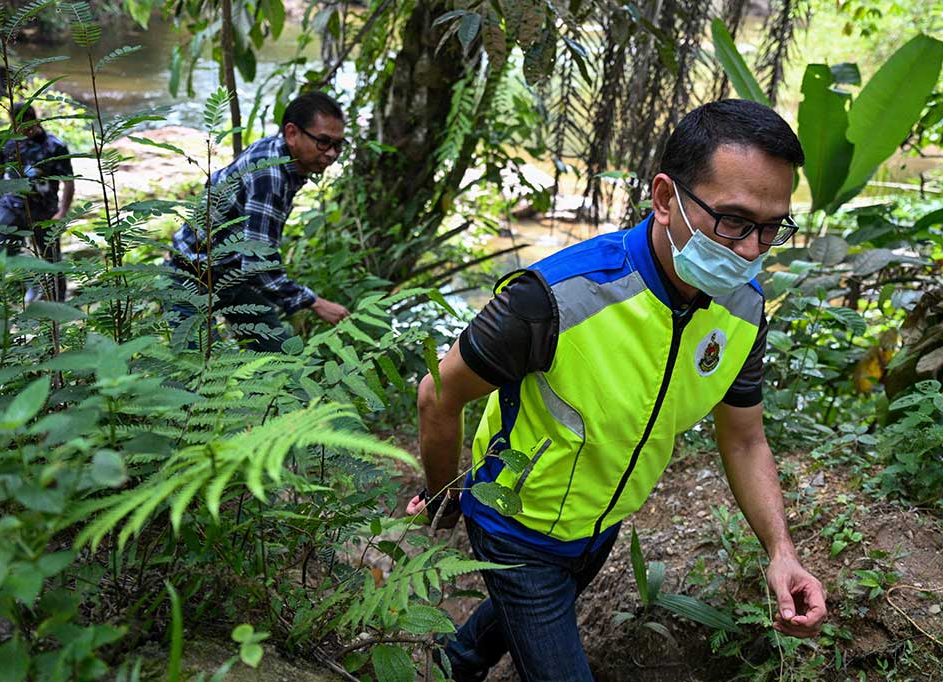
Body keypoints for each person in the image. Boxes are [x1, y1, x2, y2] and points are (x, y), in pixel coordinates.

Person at [408, 99, 828, 681]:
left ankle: (454, 663)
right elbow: (438, 394)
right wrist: (441, 493)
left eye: (771, 227)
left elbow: (745, 439)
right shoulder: (555, 297)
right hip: (515, 521)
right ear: (664, 199)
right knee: (540, 623)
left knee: (519, 618)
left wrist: (781, 553)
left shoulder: (744, 308)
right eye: (733, 221)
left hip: (601, 522)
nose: (753, 249)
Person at [169, 91, 351, 352]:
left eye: (338, 145)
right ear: (291, 133)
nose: (332, 154)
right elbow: (258, 263)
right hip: (191, 277)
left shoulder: (281, 156)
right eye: (323, 142)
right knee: (200, 372)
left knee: (280, 356)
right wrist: (315, 302)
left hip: (229, 275)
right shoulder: (269, 174)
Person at [0, 101, 74, 302]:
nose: (23, 130)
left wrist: (62, 212)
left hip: (43, 210)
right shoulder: (5, 141)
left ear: (36, 121)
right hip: (10, 206)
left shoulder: (54, 146)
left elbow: (68, 181)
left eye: (27, 125)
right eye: (18, 125)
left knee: (51, 258)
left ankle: (58, 304)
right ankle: (25, 285)